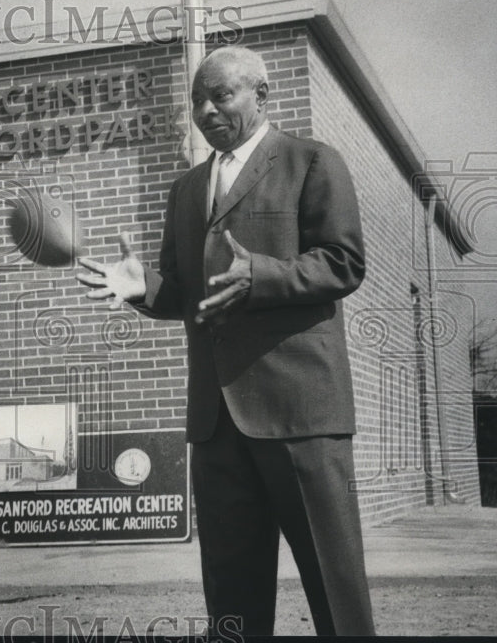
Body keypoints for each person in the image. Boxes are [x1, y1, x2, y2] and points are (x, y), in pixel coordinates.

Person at [76, 45, 375, 636]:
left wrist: (260, 274)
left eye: (221, 95)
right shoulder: (186, 189)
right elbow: (183, 294)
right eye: (197, 100)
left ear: (261, 96)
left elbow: (343, 263)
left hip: (301, 416)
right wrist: (142, 288)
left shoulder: (311, 161)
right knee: (231, 597)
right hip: (216, 424)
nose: (207, 110)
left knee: (333, 586)